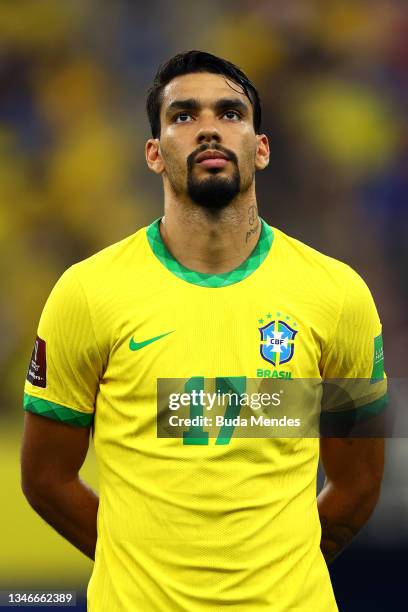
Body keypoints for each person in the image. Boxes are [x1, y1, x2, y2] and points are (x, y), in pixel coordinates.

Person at [21, 50, 387, 611]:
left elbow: (358, 482)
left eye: (231, 113)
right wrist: (140, 569)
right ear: (154, 152)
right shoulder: (86, 294)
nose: (210, 129)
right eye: (184, 116)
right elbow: (45, 478)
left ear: (260, 149)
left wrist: (278, 575)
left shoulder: (336, 295)